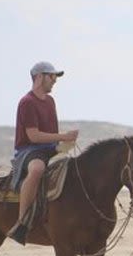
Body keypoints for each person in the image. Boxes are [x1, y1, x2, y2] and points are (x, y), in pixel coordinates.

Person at [7, 61, 79, 245]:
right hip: (30, 150)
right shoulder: (27, 102)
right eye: (52, 76)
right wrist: (63, 136)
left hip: (50, 148)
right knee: (37, 169)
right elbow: (34, 136)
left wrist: (63, 143)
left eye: (55, 77)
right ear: (39, 77)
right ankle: (22, 222)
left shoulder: (50, 101)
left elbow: (49, 134)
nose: (55, 80)